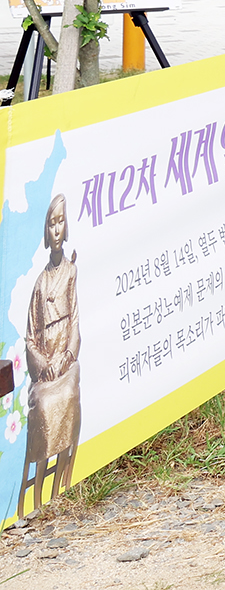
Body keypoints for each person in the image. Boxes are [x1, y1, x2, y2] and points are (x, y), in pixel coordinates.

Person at [21, 195, 79, 517]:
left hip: (65, 363)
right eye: (51, 223)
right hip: (45, 369)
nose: (57, 229)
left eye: (61, 222)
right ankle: (39, 493)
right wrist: (43, 363)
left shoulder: (71, 273)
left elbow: (75, 322)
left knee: (69, 393)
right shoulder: (40, 283)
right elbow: (30, 336)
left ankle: (63, 483)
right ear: (46, 230)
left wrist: (67, 355)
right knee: (43, 405)